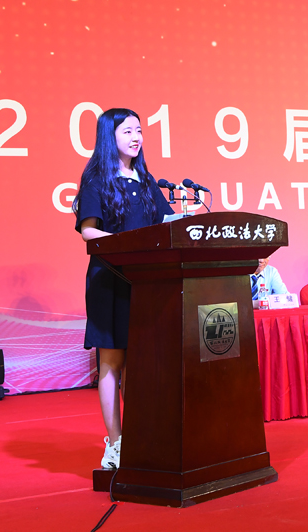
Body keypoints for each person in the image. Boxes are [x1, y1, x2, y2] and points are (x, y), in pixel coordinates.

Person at [73, 108, 174, 470]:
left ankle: (142, 435)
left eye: (139, 131)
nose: (136, 138)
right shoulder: (97, 180)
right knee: (112, 363)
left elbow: (165, 222)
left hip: (144, 282)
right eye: (128, 131)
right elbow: (88, 230)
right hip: (110, 280)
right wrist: (127, 245)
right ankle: (115, 443)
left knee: (140, 362)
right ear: (109, 136)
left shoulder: (146, 180)